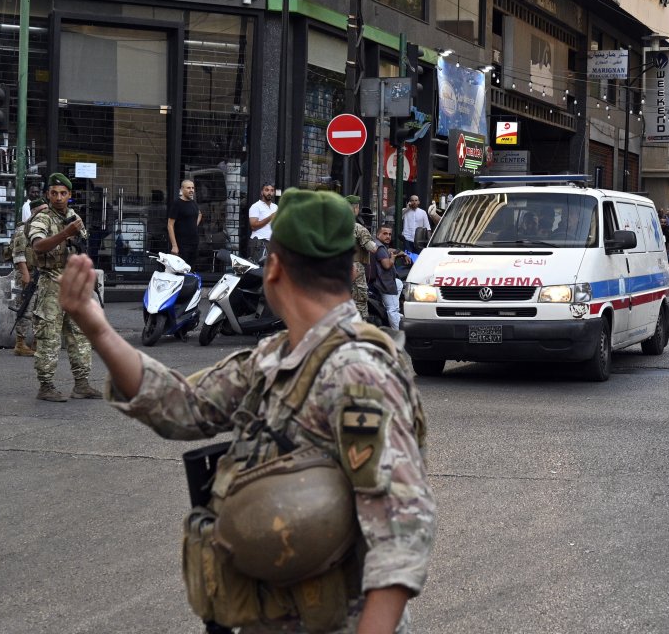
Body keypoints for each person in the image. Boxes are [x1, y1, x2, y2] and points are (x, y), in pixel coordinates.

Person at [57, 188, 435, 631]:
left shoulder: (358, 372)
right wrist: (95, 326)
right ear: (346, 268)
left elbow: (402, 530)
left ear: (273, 270)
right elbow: (184, 406)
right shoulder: (277, 357)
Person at [27, 173, 98, 402]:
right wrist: (65, 234)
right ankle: (46, 386)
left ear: (69, 195)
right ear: (48, 195)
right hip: (51, 282)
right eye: (54, 193)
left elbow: (82, 246)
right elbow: (38, 246)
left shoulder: (74, 217)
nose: (58, 197)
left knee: (80, 335)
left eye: (63, 193)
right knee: (49, 337)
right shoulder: (43, 218)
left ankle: (82, 384)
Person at [4, 199, 44, 357]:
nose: (45, 213)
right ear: (33, 211)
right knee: (26, 308)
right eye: (42, 210)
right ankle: (20, 343)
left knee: (39, 309)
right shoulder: (23, 228)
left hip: (40, 273)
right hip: (27, 273)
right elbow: (18, 254)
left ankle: (36, 342)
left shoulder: (41, 228)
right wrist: (26, 274)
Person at [349, 195, 379, 318]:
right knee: (360, 299)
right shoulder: (358, 228)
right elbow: (372, 248)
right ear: (355, 209)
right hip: (355, 267)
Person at [371, 225, 404, 329]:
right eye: (385, 234)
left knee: (399, 283)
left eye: (390, 234)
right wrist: (393, 259)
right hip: (384, 283)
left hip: (383, 281)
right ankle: (397, 333)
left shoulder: (379, 245)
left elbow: (389, 250)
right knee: (392, 310)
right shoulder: (380, 248)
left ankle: (395, 310)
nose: (388, 236)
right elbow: (387, 265)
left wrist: (403, 254)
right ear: (378, 235)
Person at [168, 179, 202, 266]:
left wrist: (193, 226)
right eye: (188, 188)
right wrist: (174, 245)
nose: (191, 190)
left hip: (194, 243)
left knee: (191, 270)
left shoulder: (193, 202)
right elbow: (170, 225)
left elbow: (199, 214)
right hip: (182, 244)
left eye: (193, 188)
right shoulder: (177, 204)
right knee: (181, 270)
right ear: (182, 189)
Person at [248, 183, 277, 262]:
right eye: (267, 190)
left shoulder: (275, 207)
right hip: (259, 242)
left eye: (272, 190)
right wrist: (271, 217)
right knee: (258, 270)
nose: (269, 193)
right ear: (262, 192)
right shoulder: (256, 206)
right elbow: (253, 225)